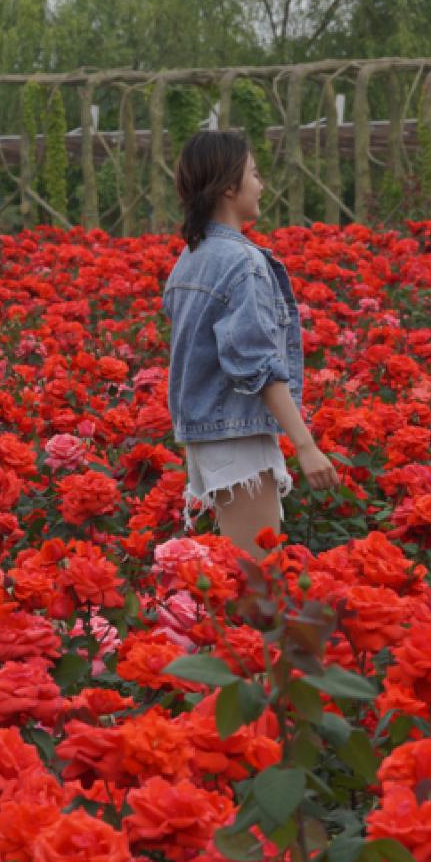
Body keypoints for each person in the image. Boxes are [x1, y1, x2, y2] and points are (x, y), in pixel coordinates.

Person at [161, 130, 339, 559]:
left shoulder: (192, 257)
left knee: (237, 573)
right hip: (236, 435)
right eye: (255, 174)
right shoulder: (241, 262)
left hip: (211, 434)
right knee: (255, 577)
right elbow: (256, 365)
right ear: (228, 187)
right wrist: (306, 446)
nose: (261, 185)